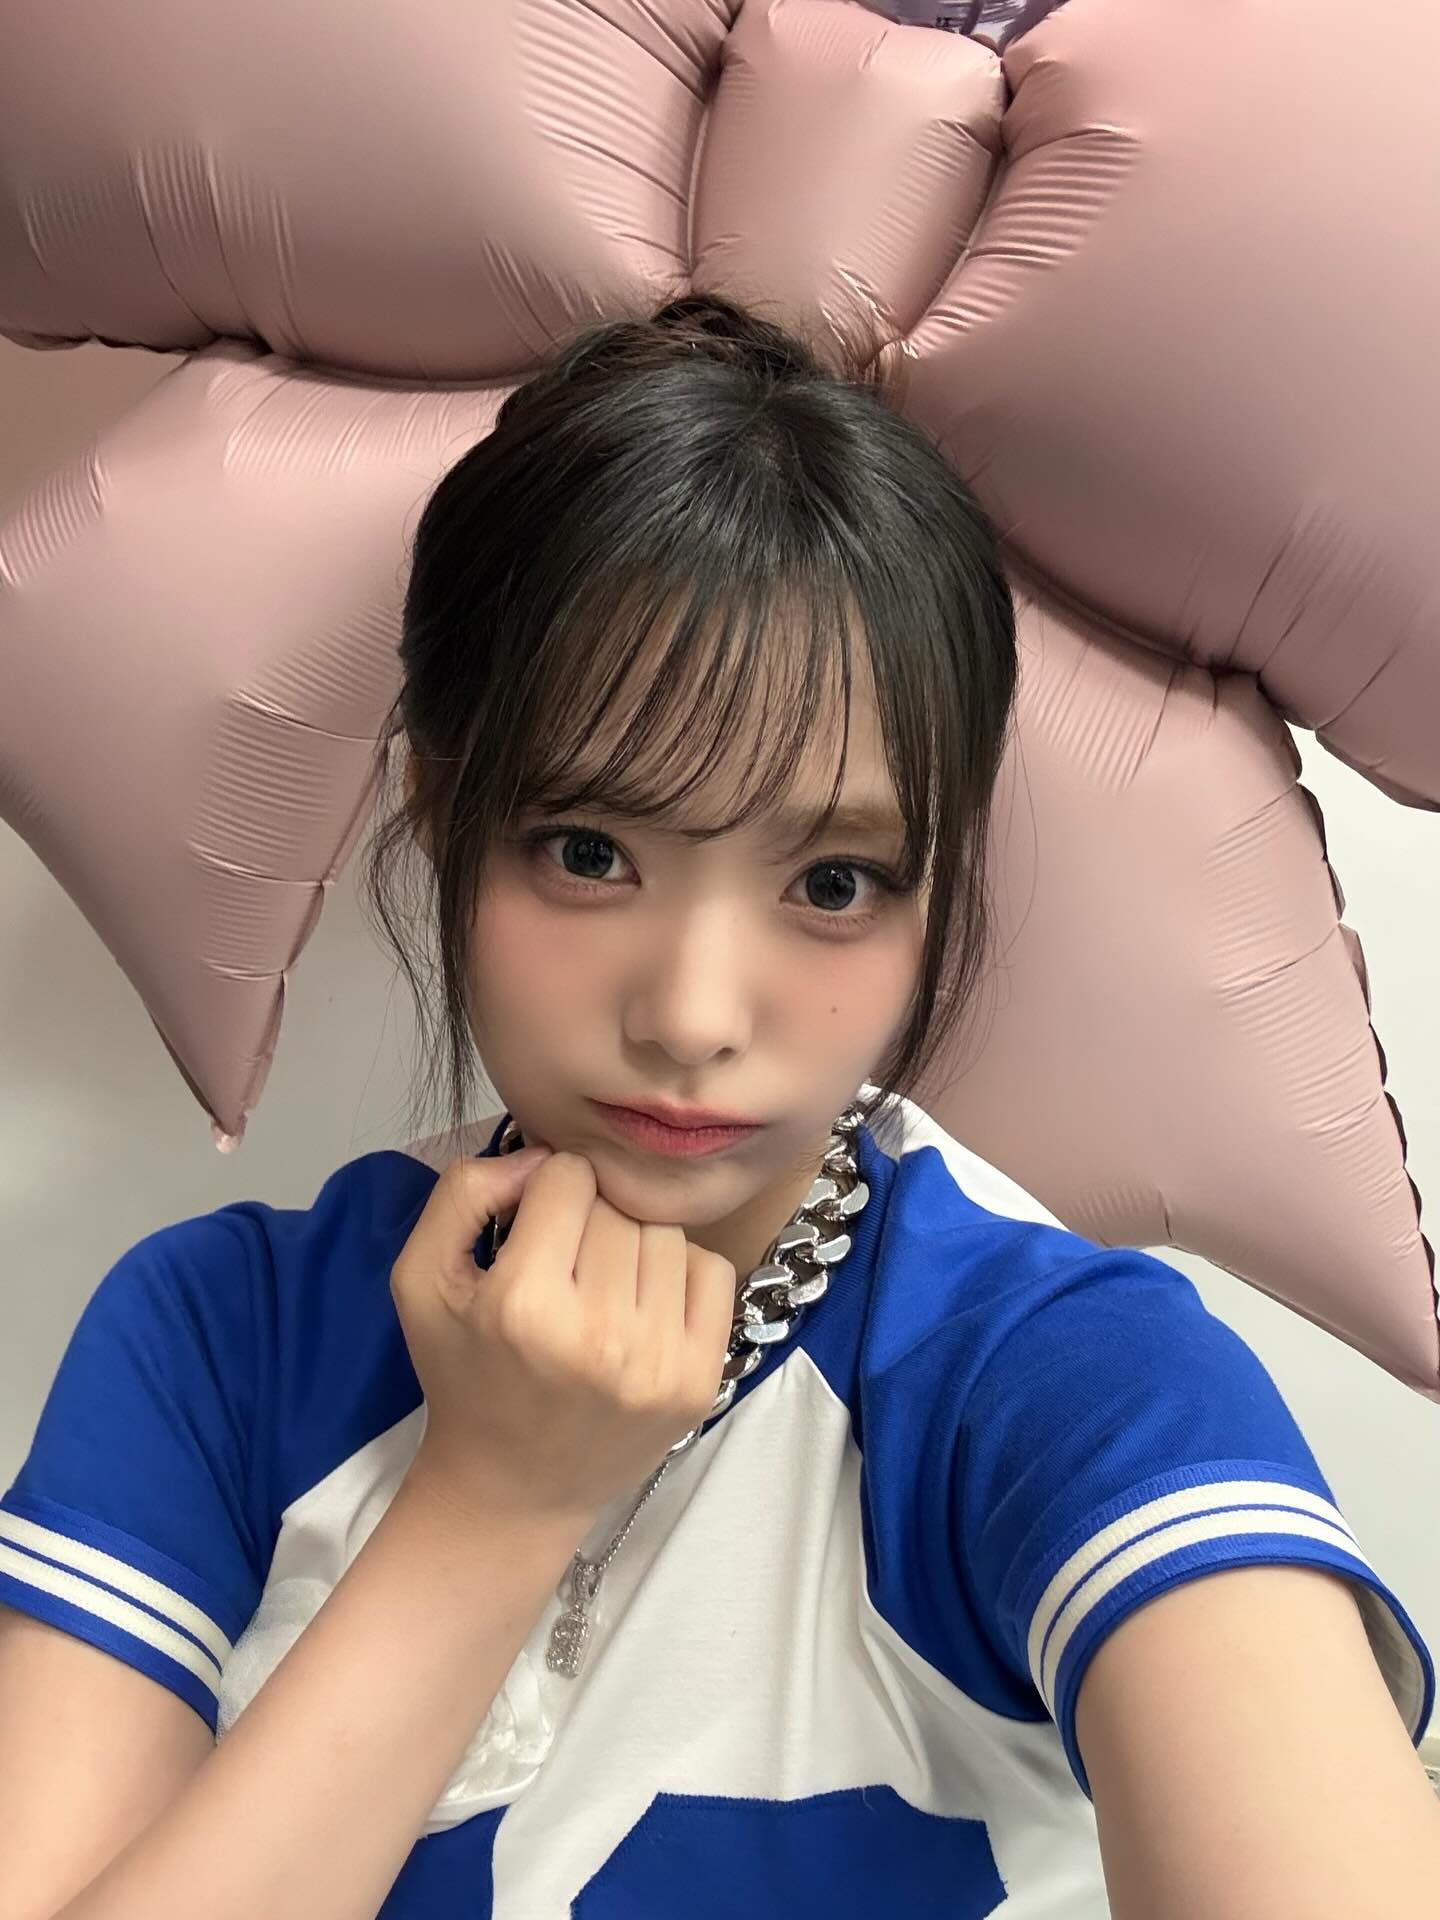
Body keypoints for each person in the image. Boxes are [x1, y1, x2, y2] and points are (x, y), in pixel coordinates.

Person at [0, 292, 1436, 1920]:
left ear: (939, 883)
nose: (693, 1017)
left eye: (832, 881)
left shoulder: (1063, 1379)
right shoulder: (219, 1336)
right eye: (590, 852)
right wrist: (492, 1503)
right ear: (441, 806)